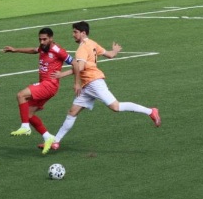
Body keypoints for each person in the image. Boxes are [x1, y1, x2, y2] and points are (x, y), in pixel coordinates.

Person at [43, 21, 160, 154]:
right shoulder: (92, 43)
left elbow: (79, 68)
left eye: (75, 32)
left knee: (116, 107)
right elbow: (110, 55)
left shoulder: (82, 49)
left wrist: (61, 74)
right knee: (72, 112)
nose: (73, 34)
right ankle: (56, 141)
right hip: (87, 85)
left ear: (83, 33)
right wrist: (115, 50)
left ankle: (151, 111)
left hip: (94, 82)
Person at [3, 27, 74, 144]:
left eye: (44, 39)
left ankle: (25, 126)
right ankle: (48, 137)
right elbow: (34, 50)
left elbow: (77, 65)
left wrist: (62, 74)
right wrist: (15, 50)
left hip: (49, 85)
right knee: (28, 114)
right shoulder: (43, 47)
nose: (42, 42)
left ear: (51, 38)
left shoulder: (58, 50)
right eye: (40, 39)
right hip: (44, 85)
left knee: (21, 95)